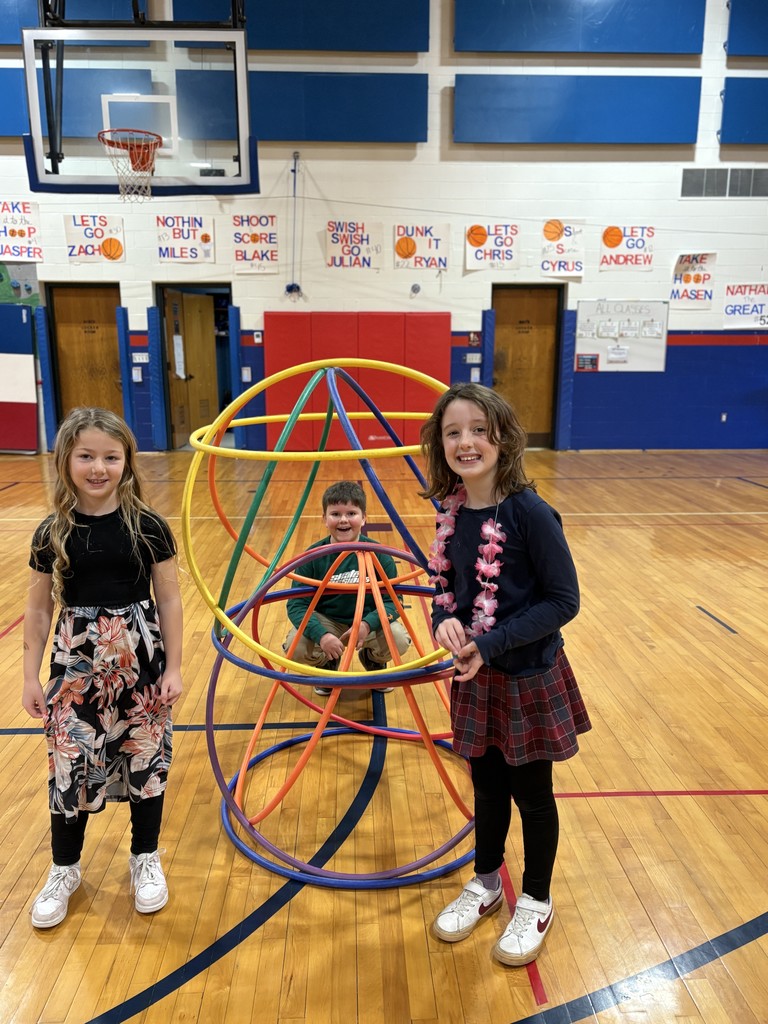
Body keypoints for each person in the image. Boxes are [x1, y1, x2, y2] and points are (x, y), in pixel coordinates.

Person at [420, 383, 591, 967]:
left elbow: (563, 601)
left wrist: (488, 643)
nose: (465, 442)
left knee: (532, 795)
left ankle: (537, 899)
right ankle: (487, 881)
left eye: (478, 430)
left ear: (503, 437)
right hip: (476, 675)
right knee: (487, 787)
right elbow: (444, 588)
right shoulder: (453, 513)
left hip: (524, 674)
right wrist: (444, 620)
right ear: (439, 443)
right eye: (452, 432)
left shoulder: (530, 512)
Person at [22, 407, 183, 929]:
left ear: (126, 462)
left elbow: (171, 600)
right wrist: (30, 677)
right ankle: (64, 868)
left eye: (110, 457)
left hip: (141, 663)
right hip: (76, 665)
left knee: (145, 763)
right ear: (66, 460)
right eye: (86, 456)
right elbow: (40, 607)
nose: (98, 468)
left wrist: (174, 668)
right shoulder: (53, 532)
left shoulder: (149, 526)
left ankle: (146, 858)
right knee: (69, 768)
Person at [284, 480, 410, 697]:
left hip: (366, 621)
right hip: (328, 622)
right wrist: (322, 635)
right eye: (335, 514)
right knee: (295, 647)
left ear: (364, 518)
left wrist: (367, 625)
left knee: (398, 639)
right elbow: (296, 604)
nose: (343, 520)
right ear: (324, 519)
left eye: (351, 513)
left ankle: (374, 661)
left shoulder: (379, 555)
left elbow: (394, 601)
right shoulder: (313, 556)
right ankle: (327, 664)